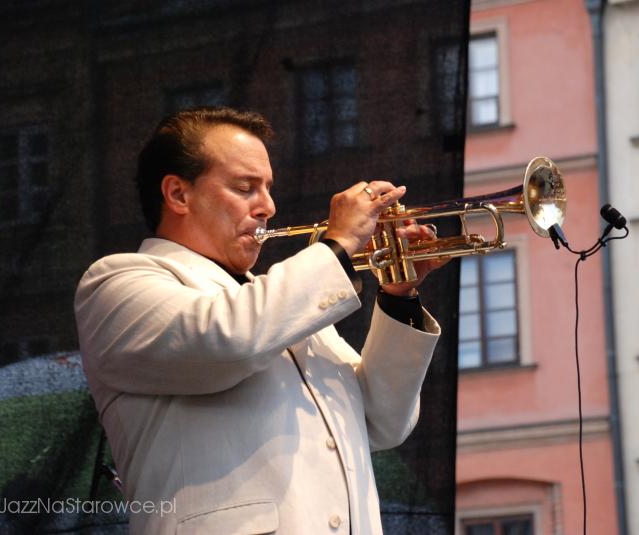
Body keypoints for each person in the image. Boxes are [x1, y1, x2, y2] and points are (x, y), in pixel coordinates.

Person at [74, 107, 443, 534]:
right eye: (245, 188)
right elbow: (229, 340)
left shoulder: (290, 306)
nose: (268, 206)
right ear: (178, 194)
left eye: (268, 188)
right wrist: (338, 246)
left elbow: (382, 422)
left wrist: (400, 296)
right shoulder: (117, 283)